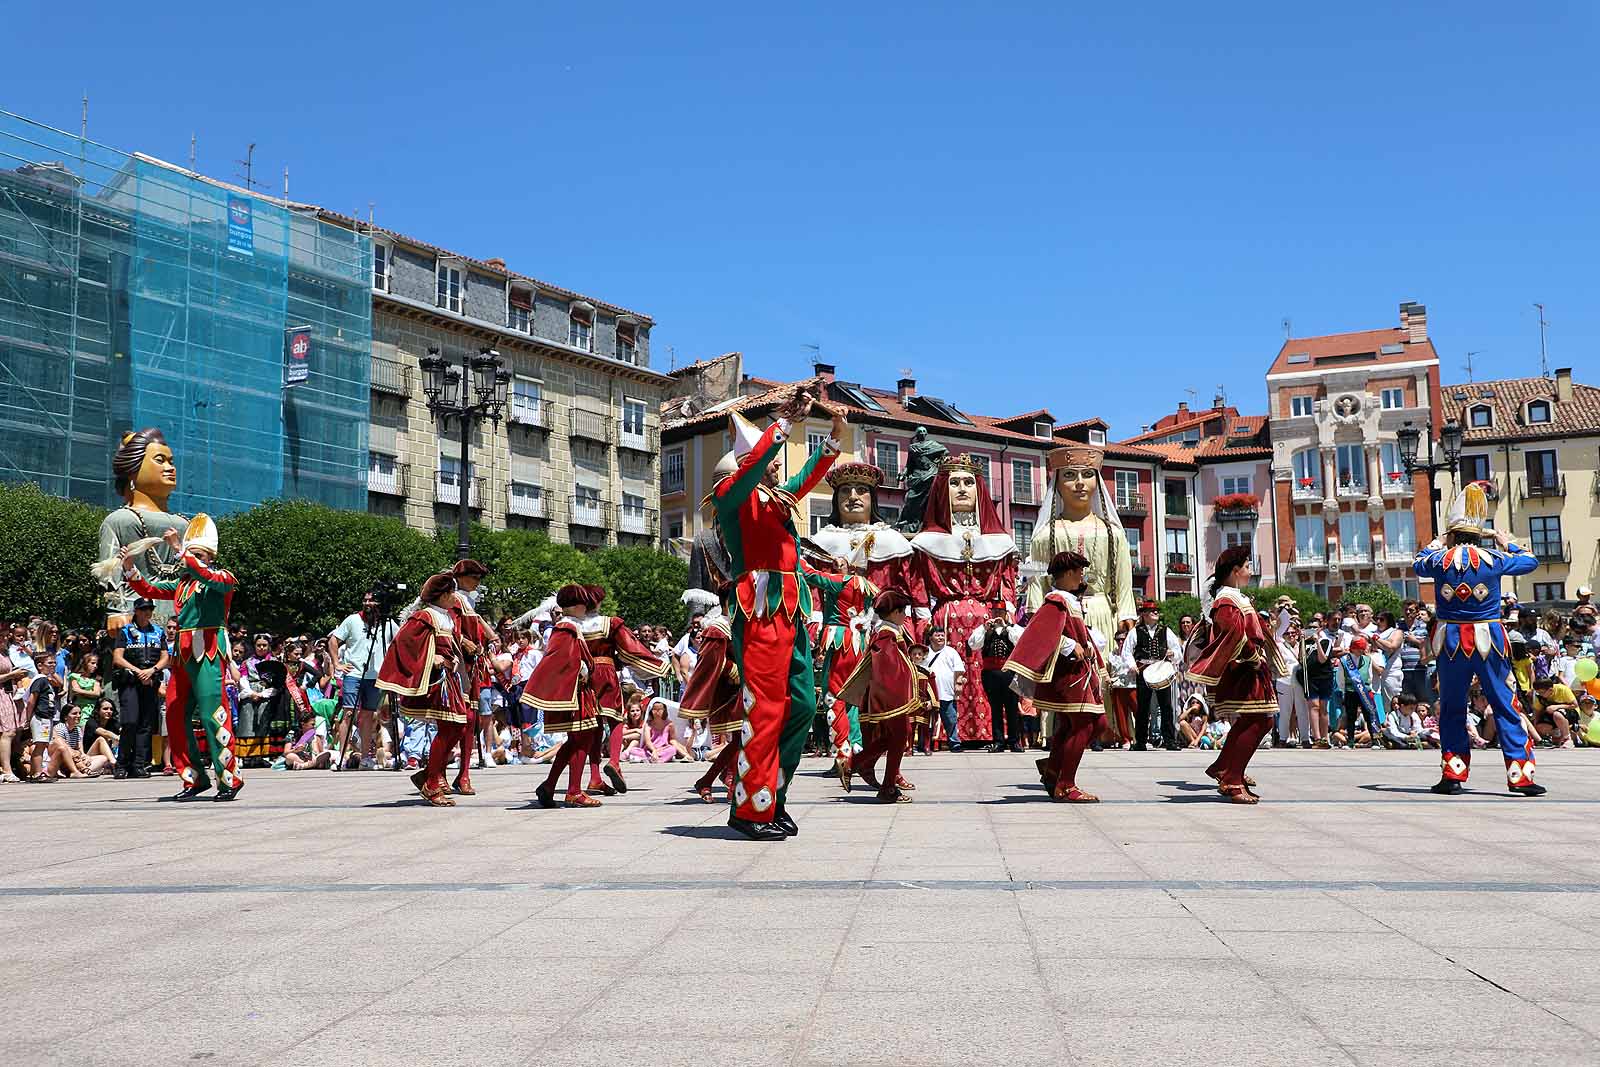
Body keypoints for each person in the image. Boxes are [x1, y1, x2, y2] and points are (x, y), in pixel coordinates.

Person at [709, 393, 846, 840]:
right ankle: (750, 809)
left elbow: (806, 478)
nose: (776, 464)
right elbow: (753, 470)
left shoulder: (775, 502)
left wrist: (833, 440)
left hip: (790, 608)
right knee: (765, 709)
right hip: (759, 607)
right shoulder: (730, 498)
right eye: (768, 457)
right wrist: (783, 425)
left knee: (803, 705)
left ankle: (774, 798)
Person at [1414, 482, 1544, 796]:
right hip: (1490, 640)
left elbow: (1418, 562)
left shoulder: (1439, 561)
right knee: (1505, 704)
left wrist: (1438, 542)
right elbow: (1530, 561)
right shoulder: (1494, 560)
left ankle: (1453, 774)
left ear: (1453, 535)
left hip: (1452, 641)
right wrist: (1506, 541)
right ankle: (1520, 776)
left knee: (1452, 707)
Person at [122, 516, 245, 801]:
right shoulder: (183, 584)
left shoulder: (222, 578)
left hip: (210, 652)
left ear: (210, 557)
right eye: (190, 554)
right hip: (183, 656)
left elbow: (208, 576)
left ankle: (229, 778)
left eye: (197, 554)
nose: (189, 558)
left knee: (212, 714)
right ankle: (194, 778)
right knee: (175, 715)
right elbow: (149, 589)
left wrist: (181, 550)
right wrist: (129, 567)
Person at [1024, 443, 1135, 742]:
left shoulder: (1113, 533)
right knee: (1065, 678)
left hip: (1100, 611)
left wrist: (1126, 614)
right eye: (1070, 475)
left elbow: (1123, 580)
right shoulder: (1046, 534)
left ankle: (1104, 731)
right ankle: (1063, 734)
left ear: (1096, 483)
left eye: (1087, 475)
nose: (1078, 483)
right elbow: (1037, 582)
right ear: (1057, 483)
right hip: (1061, 615)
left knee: (1101, 676)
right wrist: (1036, 614)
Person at [910, 453, 1020, 748]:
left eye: (968, 482)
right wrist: (922, 623)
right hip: (945, 620)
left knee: (991, 675)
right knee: (946, 677)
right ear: (942, 490)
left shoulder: (1000, 542)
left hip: (988, 621)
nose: (962, 489)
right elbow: (919, 587)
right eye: (954, 482)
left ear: (978, 489)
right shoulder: (927, 541)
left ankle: (992, 732)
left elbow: (1008, 584)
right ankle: (950, 733)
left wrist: (1006, 617)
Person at [1007, 551, 1105, 802]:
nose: (1082, 576)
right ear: (1070, 572)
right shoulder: (1056, 600)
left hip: (1080, 673)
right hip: (1069, 676)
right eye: (1080, 572)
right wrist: (1071, 646)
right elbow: (1041, 632)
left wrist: (1090, 649)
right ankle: (1065, 784)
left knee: (1089, 725)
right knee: (1084, 725)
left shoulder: (1068, 600)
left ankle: (1053, 771)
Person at [1186, 546, 1280, 804]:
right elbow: (1232, 633)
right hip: (1243, 669)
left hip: (1250, 668)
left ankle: (1225, 768)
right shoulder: (1226, 600)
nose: (1250, 572)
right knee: (1259, 721)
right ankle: (1231, 778)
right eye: (1247, 567)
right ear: (1235, 571)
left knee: (1261, 721)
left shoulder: (1234, 597)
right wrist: (1251, 656)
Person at [375, 571, 472, 806]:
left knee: (459, 727)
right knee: (452, 727)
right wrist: (433, 658)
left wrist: (454, 658)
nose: (455, 597)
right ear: (442, 595)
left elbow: (449, 645)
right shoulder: (425, 616)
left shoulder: (446, 616)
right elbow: (405, 644)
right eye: (452, 593)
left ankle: (428, 774)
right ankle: (430, 783)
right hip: (435, 683)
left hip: (450, 680)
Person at [522, 584, 605, 809]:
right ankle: (574, 791)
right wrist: (581, 669)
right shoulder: (565, 628)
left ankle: (550, 785)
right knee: (582, 739)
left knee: (578, 740)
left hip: (580, 691)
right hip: (574, 692)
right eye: (584, 605)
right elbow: (558, 658)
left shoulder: (571, 626)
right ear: (577, 606)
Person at [840, 589, 920, 803]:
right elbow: (887, 670)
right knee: (899, 736)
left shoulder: (890, 630)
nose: (905, 616)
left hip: (889, 696)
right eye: (903, 611)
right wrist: (896, 699)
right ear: (894, 612)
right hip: (889, 697)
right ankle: (886, 788)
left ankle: (854, 764)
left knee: (896, 737)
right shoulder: (886, 634)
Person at [681, 592, 744, 803]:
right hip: (727, 690)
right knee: (741, 738)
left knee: (741, 739)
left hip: (744, 688)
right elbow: (708, 659)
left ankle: (709, 780)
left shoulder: (738, 622)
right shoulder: (717, 628)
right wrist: (732, 668)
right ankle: (729, 783)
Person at [327, 589, 397, 770]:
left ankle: (366, 757)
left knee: (367, 716)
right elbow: (333, 640)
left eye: (371, 601)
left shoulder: (387, 623)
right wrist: (337, 663)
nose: (367, 604)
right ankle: (342, 757)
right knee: (349, 714)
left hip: (375, 676)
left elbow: (400, 641)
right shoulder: (352, 620)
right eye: (365, 600)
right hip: (354, 674)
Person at [111, 598, 167, 780]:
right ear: (136, 611)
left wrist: (152, 671)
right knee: (130, 722)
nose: (147, 612)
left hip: (150, 682)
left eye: (150, 609)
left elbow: (166, 657)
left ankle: (139, 765)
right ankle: (122, 764)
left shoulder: (158, 631)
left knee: (146, 725)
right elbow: (118, 658)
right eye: (143, 609)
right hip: (130, 682)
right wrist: (138, 672)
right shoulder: (126, 631)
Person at [1121, 600, 1182, 751]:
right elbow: (1126, 651)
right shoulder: (1136, 631)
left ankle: (1169, 740)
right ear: (1144, 614)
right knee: (1143, 707)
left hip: (1161, 669)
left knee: (1166, 706)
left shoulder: (1166, 630)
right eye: (1152, 611)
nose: (1156, 613)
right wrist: (1132, 665)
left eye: (1156, 611)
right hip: (1144, 670)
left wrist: (1172, 653)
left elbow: (1177, 649)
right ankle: (1140, 742)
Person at [969, 608, 1025, 752]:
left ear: (1006, 614)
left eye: (1000, 612)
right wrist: (984, 628)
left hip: (1009, 672)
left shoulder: (1014, 628)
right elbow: (974, 645)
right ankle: (998, 741)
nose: (997, 615)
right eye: (995, 612)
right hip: (991, 674)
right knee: (996, 708)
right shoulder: (984, 629)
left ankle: (1014, 741)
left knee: (1012, 707)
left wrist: (1006, 626)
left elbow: (1020, 642)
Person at [921, 627, 965, 752]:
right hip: (928, 693)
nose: (941, 638)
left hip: (947, 692)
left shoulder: (951, 652)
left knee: (950, 719)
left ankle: (954, 743)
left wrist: (958, 683)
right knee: (927, 720)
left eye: (942, 635)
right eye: (937, 635)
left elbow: (959, 669)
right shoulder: (925, 652)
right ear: (930, 637)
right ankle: (924, 744)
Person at [1529, 677, 1577, 748]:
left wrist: (1557, 707)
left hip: (1569, 712)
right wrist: (1536, 728)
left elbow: (1575, 705)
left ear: (1550, 690)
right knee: (1541, 726)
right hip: (1551, 715)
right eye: (1538, 692)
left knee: (1557, 714)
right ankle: (1557, 735)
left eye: (1542, 692)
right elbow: (1537, 712)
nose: (1540, 694)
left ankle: (1567, 739)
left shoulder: (1562, 689)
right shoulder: (1539, 696)